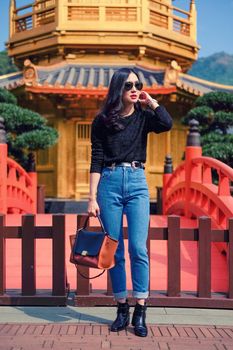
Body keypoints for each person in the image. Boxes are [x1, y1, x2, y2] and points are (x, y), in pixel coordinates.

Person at [87, 67, 173, 337]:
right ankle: (121, 307)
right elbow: (96, 159)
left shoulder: (145, 117)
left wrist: (152, 102)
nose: (134, 89)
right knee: (114, 251)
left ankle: (140, 310)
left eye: (137, 84)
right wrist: (91, 197)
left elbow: (167, 123)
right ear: (117, 89)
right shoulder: (102, 121)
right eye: (128, 86)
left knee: (138, 248)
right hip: (109, 183)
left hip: (136, 182)